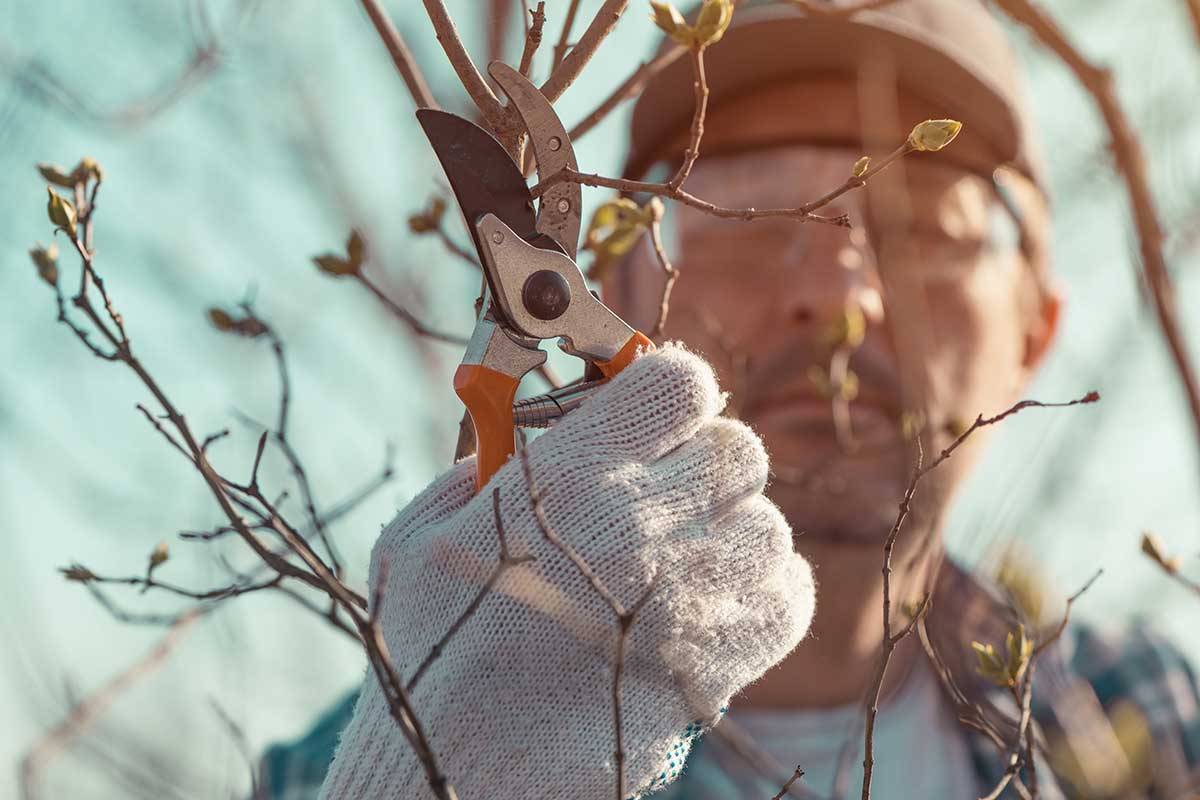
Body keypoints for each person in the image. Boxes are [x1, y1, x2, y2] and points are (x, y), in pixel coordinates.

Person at [262, 1, 1200, 798]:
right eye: (743, 208)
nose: (839, 296)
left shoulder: (1152, 717)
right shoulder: (343, 770)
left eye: (924, 224)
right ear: (619, 288)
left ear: (1033, 331)